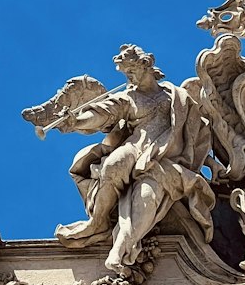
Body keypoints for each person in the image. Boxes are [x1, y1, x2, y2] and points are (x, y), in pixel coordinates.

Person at [52, 44, 214, 272]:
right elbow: (103, 112)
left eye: (132, 70)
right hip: (137, 146)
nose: (129, 76)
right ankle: (97, 222)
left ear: (147, 64)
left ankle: (119, 249)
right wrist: (76, 121)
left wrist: (211, 163)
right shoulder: (128, 97)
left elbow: (199, 133)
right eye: (126, 73)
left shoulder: (178, 96)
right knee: (113, 166)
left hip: (167, 158)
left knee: (146, 196)